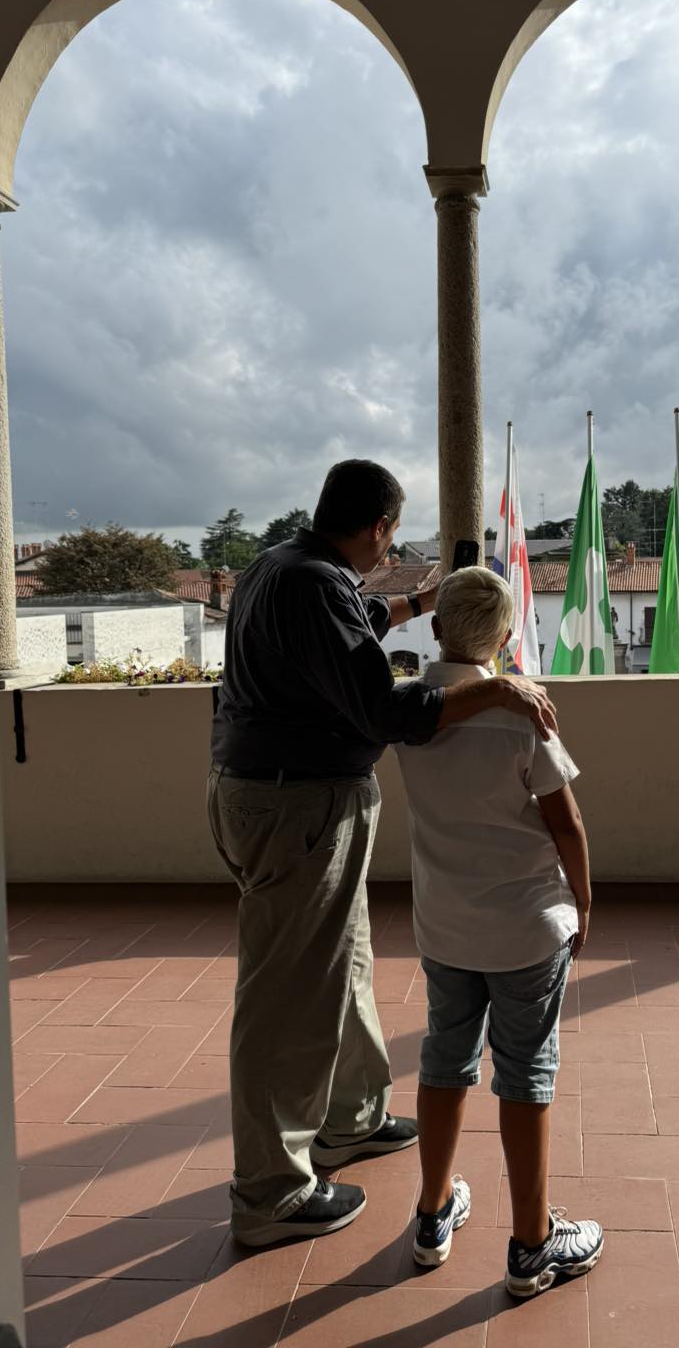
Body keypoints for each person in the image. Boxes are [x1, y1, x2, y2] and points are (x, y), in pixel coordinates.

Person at [207, 461, 558, 1248]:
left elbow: (358, 619)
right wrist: (499, 689)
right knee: (288, 995)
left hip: (276, 792)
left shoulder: (281, 565)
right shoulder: (315, 583)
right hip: (296, 802)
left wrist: (425, 600)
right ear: (380, 527)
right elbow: (388, 708)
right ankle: (270, 1191)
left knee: (343, 961)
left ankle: (351, 1117)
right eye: (391, 535)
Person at [395, 566, 603, 1297]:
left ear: (439, 629)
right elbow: (564, 819)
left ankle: (431, 1214)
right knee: (526, 1073)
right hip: (525, 929)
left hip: (447, 928)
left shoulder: (411, 710)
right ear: (508, 638)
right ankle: (531, 1243)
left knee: (444, 1061)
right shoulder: (521, 711)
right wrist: (582, 899)